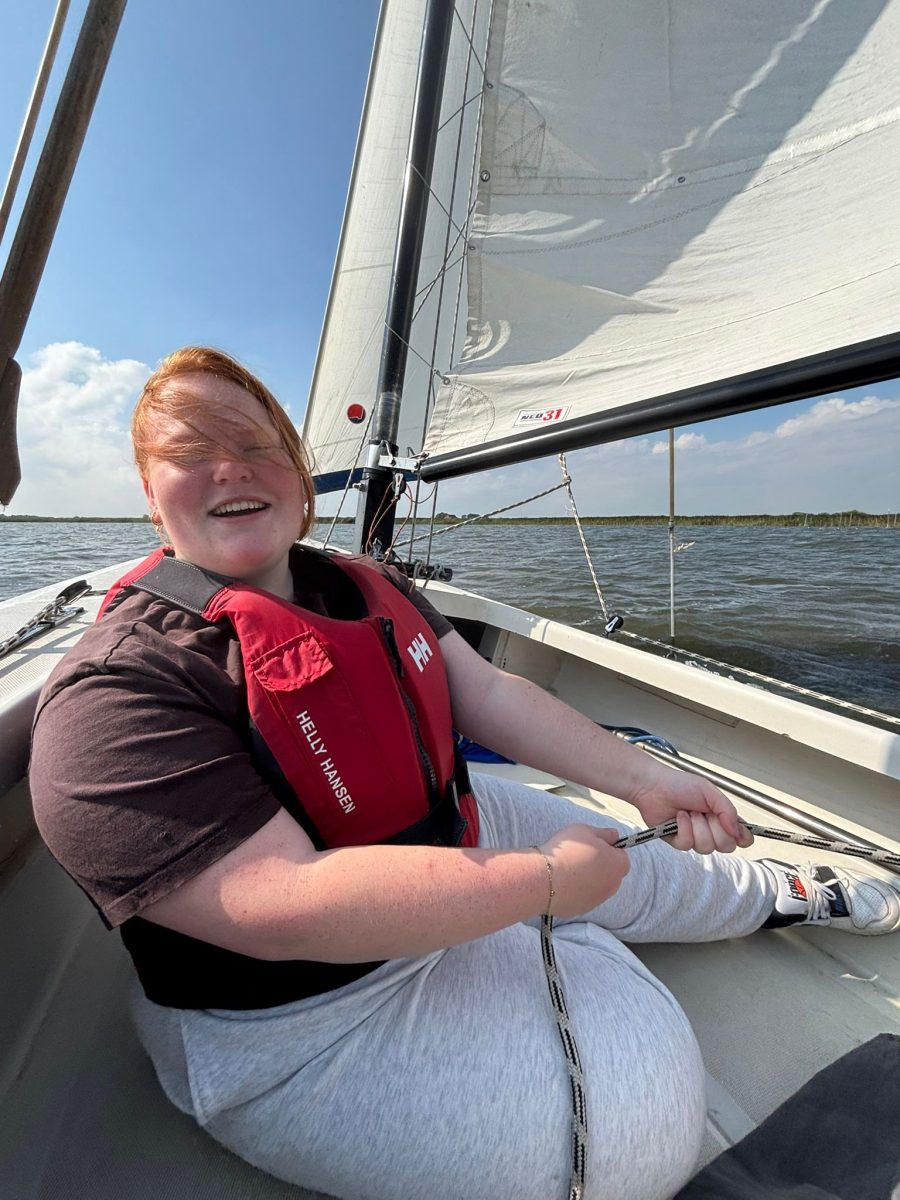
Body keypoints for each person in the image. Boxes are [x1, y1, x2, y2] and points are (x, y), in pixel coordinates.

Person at [29, 346, 900, 1200]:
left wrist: (642, 778)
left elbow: (483, 690)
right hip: (305, 1019)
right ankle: (551, 924)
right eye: (190, 454)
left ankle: (777, 894)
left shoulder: (368, 583)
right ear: (149, 496)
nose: (230, 468)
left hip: (445, 829)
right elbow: (273, 904)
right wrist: (546, 884)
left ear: (298, 476)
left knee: (644, 855)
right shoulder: (117, 690)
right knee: (632, 1146)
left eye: (256, 444)